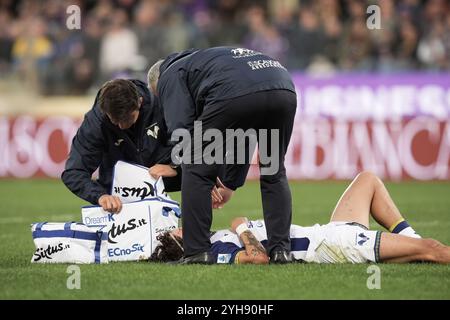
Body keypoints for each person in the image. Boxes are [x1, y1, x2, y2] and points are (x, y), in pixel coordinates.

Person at [147, 47, 297, 264]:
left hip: (236, 91)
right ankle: (280, 251)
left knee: (196, 164)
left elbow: (182, 129)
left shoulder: (168, 74)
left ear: (158, 83)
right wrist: (229, 183)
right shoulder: (207, 61)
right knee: (273, 170)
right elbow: (242, 135)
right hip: (282, 87)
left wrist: (178, 165)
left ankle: (197, 251)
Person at [149, 171, 450, 264]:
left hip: (329, 231)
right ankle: (418, 246)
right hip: (334, 245)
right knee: (434, 248)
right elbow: (257, 259)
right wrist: (241, 227)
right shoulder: (216, 252)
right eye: (177, 231)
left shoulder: (211, 239)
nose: (180, 226)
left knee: (367, 180)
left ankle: (411, 243)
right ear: (183, 243)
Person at [62, 79, 181, 213]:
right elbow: (74, 172)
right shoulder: (96, 123)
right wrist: (100, 196)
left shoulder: (161, 104)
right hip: (119, 200)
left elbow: (193, 137)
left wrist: (175, 166)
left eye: (127, 119)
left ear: (140, 102)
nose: (121, 126)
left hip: (165, 184)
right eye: (114, 121)